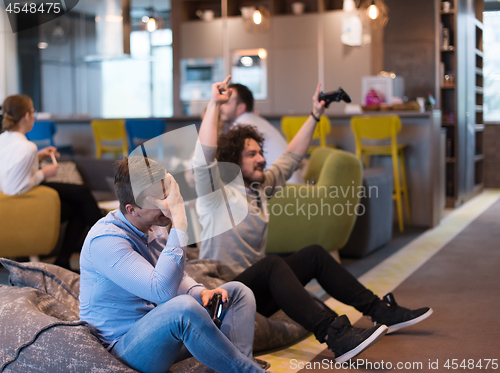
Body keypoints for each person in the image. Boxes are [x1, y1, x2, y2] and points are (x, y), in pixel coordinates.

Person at [194, 76, 433, 363]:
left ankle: (381, 311)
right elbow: (203, 158)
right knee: (272, 264)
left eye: (260, 153)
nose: (261, 159)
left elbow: (290, 158)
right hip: (223, 293)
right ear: (233, 161)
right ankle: (336, 335)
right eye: (252, 154)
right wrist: (214, 104)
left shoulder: (258, 189)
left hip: (252, 295)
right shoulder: (215, 194)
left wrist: (315, 114)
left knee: (315, 255)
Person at [79, 156, 266, 373]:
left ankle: (240, 365)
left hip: (157, 332)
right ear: (132, 210)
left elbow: (174, 274)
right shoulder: (106, 241)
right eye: (159, 201)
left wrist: (200, 291)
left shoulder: (154, 224)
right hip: (121, 349)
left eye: (168, 194)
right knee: (182, 308)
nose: (169, 205)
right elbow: (162, 291)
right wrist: (180, 223)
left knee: (237, 293)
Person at [0, 94, 102, 270]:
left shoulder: (4, 139)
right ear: (26, 116)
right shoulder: (26, 147)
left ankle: (63, 261)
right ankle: (107, 244)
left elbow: (11, 171)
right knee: (83, 195)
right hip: (23, 201)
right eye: (33, 113)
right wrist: (43, 173)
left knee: (79, 205)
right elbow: (14, 187)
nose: (33, 116)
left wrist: (38, 157)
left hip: (16, 200)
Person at [220, 83, 304, 183]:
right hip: (285, 182)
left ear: (241, 107)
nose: (221, 107)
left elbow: (227, 167)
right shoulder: (255, 121)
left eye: (227, 103)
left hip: (282, 188)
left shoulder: (242, 126)